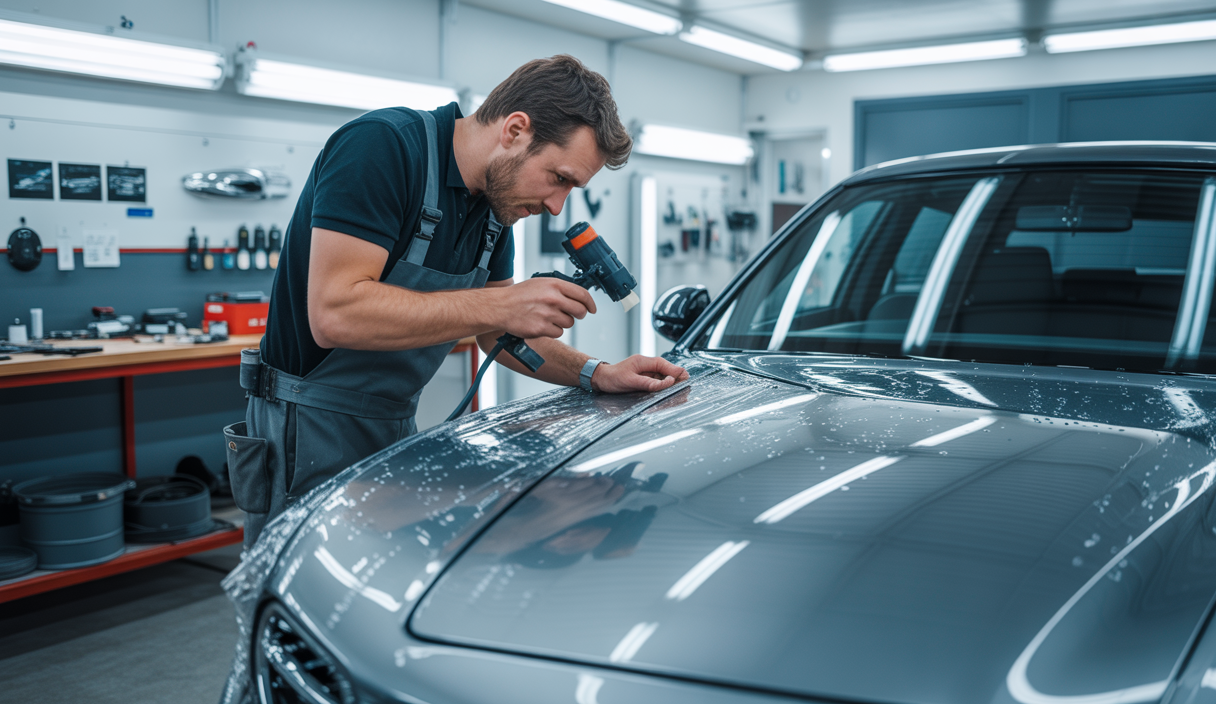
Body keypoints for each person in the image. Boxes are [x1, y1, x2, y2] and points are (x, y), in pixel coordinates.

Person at [224, 55, 688, 547]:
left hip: (394, 424)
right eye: (560, 178)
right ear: (514, 130)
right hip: (304, 428)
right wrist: (503, 307)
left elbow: (499, 337)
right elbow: (335, 312)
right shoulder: (382, 147)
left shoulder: (495, 208)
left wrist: (598, 374)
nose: (557, 205)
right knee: (299, 594)